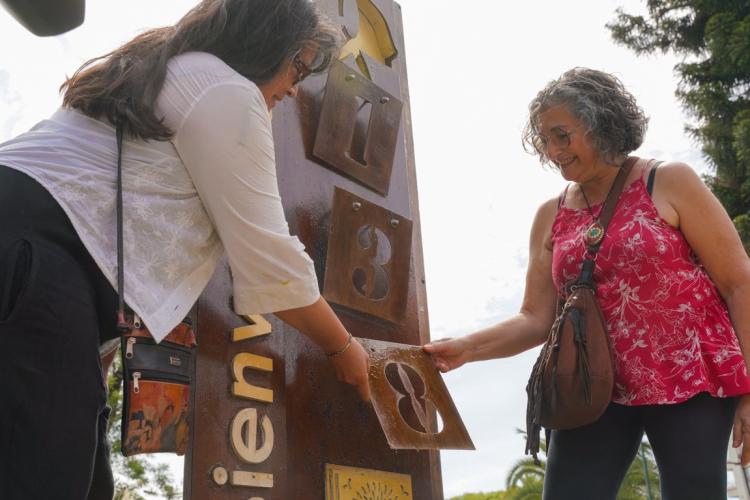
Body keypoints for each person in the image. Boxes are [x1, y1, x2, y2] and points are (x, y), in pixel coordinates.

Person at [0, 1, 370, 499]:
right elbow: (269, 257)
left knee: (85, 484)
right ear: (266, 43)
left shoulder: (164, 68)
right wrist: (344, 348)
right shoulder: (226, 90)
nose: (292, 89)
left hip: (33, 256)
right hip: (33, 256)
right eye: (298, 67)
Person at [424, 67, 750, 499]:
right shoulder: (549, 214)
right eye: (545, 140)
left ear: (600, 124)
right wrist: (467, 349)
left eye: (562, 135)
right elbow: (535, 318)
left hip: (689, 377)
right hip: (592, 386)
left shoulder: (669, 181)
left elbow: (738, 283)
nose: (552, 150)